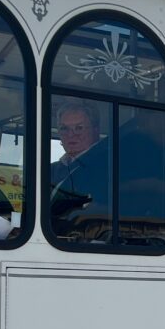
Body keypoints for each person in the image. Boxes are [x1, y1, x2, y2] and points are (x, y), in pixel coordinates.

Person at [49, 100, 111, 240]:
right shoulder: (48, 170)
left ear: (96, 130)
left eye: (79, 128)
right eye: (64, 128)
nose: (71, 135)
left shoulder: (110, 167)